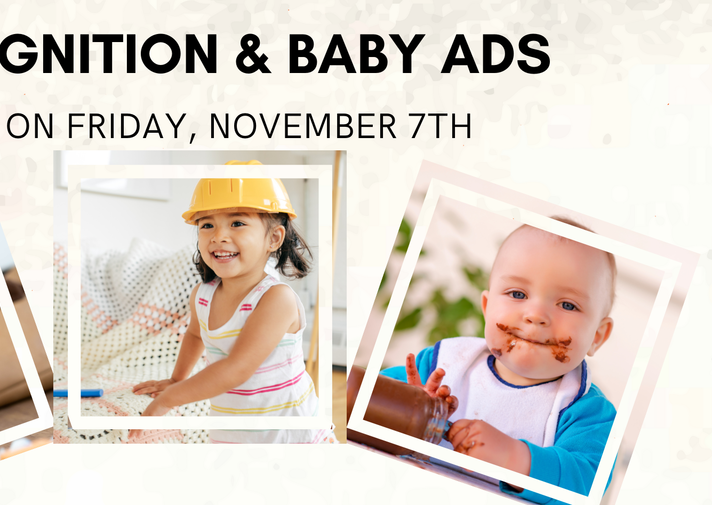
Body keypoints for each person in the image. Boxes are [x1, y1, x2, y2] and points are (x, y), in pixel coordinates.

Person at [383, 218, 617, 502]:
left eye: (568, 305)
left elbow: (585, 484)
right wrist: (408, 408)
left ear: (597, 336)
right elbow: (361, 409)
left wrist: (514, 458)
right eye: (517, 294)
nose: (536, 315)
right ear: (487, 306)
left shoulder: (587, 413)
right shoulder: (439, 365)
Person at [131, 161, 334, 443]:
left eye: (237, 223)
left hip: (290, 436)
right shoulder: (202, 296)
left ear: (273, 238)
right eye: (207, 225)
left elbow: (237, 368)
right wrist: (177, 379)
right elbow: (194, 333)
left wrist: (169, 399)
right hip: (233, 431)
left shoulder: (276, 298)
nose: (219, 236)